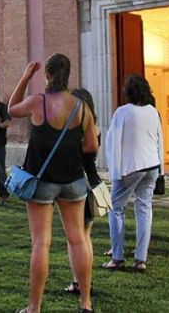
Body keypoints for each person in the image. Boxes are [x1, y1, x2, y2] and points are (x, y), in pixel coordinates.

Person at [8, 54, 98, 313]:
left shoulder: (38, 102)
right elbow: (91, 146)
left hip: (42, 181)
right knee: (78, 239)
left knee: (41, 243)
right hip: (73, 180)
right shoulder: (81, 107)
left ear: (47, 74)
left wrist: (26, 77)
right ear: (67, 75)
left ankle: (34, 307)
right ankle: (86, 303)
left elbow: (12, 109)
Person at [102, 74, 164, 273]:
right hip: (151, 165)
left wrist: (115, 173)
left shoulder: (122, 112)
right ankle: (140, 258)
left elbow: (113, 143)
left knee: (116, 208)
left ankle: (117, 257)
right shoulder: (153, 112)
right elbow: (159, 140)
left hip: (131, 166)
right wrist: (161, 169)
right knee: (144, 208)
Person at [64, 88, 102, 297]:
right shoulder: (94, 128)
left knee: (76, 239)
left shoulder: (76, 130)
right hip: (93, 182)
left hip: (78, 183)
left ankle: (79, 282)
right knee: (85, 235)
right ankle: (85, 280)